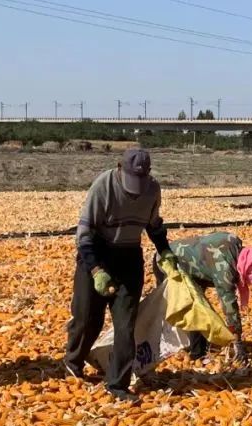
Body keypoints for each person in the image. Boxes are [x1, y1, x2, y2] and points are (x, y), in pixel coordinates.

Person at [64, 148, 173, 398]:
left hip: (128, 257)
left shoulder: (152, 190)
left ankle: (117, 384)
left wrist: (165, 251)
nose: (135, 188)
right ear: (119, 167)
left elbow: (154, 224)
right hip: (97, 252)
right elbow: (84, 234)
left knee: (126, 325)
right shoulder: (103, 186)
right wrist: (96, 270)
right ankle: (73, 361)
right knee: (87, 318)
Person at [154, 231, 252, 364]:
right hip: (168, 262)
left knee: (199, 307)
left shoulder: (234, 245)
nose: (250, 284)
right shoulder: (225, 267)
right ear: (250, 269)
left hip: (191, 268)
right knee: (187, 308)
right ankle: (164, 348)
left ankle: (199, 351)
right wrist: (237, 341)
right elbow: (229, 306)